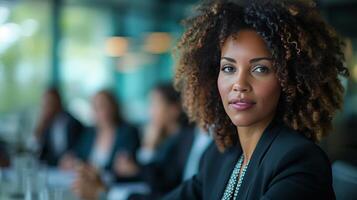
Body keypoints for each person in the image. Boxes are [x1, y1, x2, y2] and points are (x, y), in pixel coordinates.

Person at [164, 0, 349, 199]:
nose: (239, 83)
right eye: (229, 68)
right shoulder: (218, 156)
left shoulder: (298, 162)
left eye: (260, 69)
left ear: (288, 80)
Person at [36, 87, 83, 166]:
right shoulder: (46, 125)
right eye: (44, 104)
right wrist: (40, 128)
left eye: (50, 102)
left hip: (70, 168)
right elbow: (40, 153)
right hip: (53, 168)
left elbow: (81, 149)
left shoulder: (73, 123)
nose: (46, 107)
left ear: (58, 101)